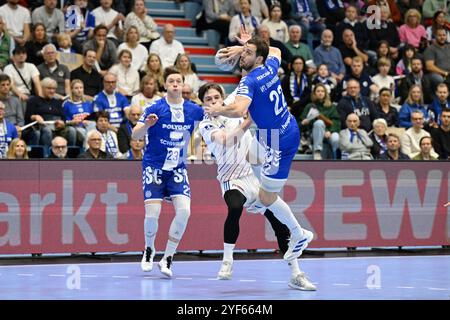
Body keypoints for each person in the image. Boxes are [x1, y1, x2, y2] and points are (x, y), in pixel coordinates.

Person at [204, 30, 314, 267]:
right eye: (244, 52)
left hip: (280, 141)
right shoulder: (270, 66)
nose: (243, 56)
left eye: (248, 54)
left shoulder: (249, 81)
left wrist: (218, 110)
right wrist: (243, 45)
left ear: (258, 59)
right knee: (251, 157)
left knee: (266, 198)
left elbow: (238, 110)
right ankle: (259, 187)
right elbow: (274, 50)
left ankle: (298, 233)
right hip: (274, 130)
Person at [198, 82, 315, 290]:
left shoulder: (232, 104)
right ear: (203, 104)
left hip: (252, 174)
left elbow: (246, 82)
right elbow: (226, 141)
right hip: (231, 179)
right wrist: (249, 120)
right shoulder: (206, 124)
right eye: (208, 99)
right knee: (234, 207)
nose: (214, 101)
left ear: (222, 97)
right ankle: (227, 262)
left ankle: (296, 273)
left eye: (216, 97)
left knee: (278, 224)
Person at [132, 68, 204, 278]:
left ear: (183, 85)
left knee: (184, 211)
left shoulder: (193, 110)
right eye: (171, 80)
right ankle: (149, 249)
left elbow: (213, 117)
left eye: (178, 81)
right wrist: (147, 124)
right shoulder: (155, 108)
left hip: (178, 168)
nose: (174, 84)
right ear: (165, 85)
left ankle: (168, 257)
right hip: (154, 166)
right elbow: (136, 135)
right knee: (152, 214)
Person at [24, 77, 77, 148]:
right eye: (49, 88)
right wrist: (35, 117)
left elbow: (63, 117)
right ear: (42, 88)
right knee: (47, 130)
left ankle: (70, 155)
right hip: (41, 126)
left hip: (57, 127)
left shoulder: (57, 102)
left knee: (72, 130)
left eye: (54, 89)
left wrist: (62, 123)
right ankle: (47, 155)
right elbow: (27, 117)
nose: (52, 91)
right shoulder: (33, 100)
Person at [299, 83, 340, 160]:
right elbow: (301, 124)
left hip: (328, 133)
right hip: (314, 134)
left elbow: (337, 122)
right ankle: (317, 151)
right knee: (319, 123)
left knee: (336, 138)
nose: (320, 93)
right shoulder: (309, 106)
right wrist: (304, 123)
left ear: (325, 93)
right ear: (314, 93)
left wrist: (330, 131)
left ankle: (336, 157)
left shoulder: (332, 106)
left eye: (322, 91)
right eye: (318, 91)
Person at [62, 79, 96, 145]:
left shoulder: (88, 103)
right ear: (72, 90)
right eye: (76, 88)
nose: (79, 90)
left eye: (81, 88)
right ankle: (88, 147)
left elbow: (93, 118)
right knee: (83, 132)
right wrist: (73, 122)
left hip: (88, 126)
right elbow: (64, 122)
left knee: (93, 126)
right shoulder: (66, 104)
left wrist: (88, 121)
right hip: (76, 127)